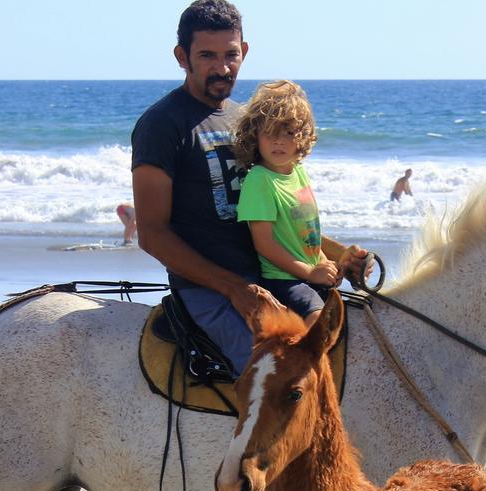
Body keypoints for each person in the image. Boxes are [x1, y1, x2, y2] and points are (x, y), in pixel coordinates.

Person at [131, 0, 369, 375]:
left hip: (274, 277)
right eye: (207, 55)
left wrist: (339, 255)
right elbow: (152, 234)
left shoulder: (249, 120)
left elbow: (279, 213)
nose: (222, 67)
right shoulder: (162, 125)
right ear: (182, 56)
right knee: (280, 380)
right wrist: (233, 289)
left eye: (230, 54)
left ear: (243, 51)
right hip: (210, 291)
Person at [233, 80, 337, 328]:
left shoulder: (297, 172)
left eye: (288, 133)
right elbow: (265, 244)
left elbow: (307, 233)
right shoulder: (259, 180)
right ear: (255, 136)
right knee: (319, 322)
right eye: (270, 133)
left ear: (302, 138)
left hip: (307, 273)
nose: (278, 142)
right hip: (283, 279)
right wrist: (310, 273)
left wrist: (323, 262)